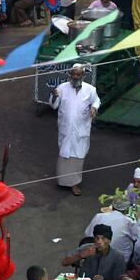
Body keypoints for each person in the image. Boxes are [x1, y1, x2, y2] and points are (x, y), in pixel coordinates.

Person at [51, 64, 101, 196]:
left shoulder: (90, 89)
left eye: (78, 74)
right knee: (64, 153)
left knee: (78, 156)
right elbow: (53, 105)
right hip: (66, 128)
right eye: (73, 74)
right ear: (70, 74)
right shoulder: (62, 88)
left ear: (83, 76)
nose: (75, 76)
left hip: (81, 129)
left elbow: (96, 101)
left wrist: (94, 108)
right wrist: (54, 96)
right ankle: (62, 181)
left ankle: (74, 184)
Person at [61, 224, 126, 280]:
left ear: (109, 240)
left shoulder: (118, 256)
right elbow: (64, 262)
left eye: (103, 238)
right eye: (97, 238)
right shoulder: (87, 248)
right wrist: (80, 255)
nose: (99, 242)